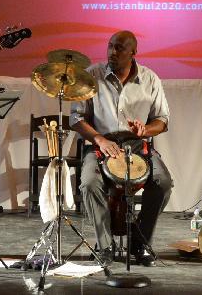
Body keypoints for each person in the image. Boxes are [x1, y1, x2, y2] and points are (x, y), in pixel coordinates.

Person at [71, 30, 173, 267]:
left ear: (133, 52)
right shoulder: (91, 76)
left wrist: (145, 130)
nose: (112, 52)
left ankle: (140, 242)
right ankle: (104, 245)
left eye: (119, 48)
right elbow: (76, 118)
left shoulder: (150, 79)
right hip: (101, 143)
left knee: (163, 182)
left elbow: (163, 120)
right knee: (88, 183)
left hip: (136, 144)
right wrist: (99, 139)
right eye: (110, 46)